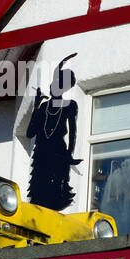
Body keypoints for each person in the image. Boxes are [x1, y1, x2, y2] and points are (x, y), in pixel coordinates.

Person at [26, 54, 80, 210]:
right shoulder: (43, 107)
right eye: (54, 82)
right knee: (39, 193)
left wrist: (69, 154)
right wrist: (36, 107)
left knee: (55, 191)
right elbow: (30, 133)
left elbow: (73, 132)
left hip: (57, 153)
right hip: (41, 153)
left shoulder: (70, 105)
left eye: (59, 84)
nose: (54, 86)